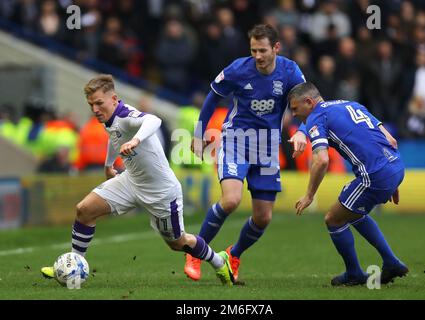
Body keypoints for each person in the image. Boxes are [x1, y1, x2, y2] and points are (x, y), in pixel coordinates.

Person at [40, 74, 234, 286]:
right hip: (131, 181)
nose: (95, 109)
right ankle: (73, 265)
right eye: (91, 104)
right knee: (84, 210)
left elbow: (154, 120)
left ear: (114, 99)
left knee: (178, 243)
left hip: (161, 192)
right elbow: (114, 137)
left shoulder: (126, 115)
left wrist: (136, 139)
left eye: (99, 103)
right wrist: (108, 165)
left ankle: (219, 261)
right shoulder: (108, 118)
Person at [185, 24, 307, 282]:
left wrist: (302, 131)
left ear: (276, 48)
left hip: (267, 147)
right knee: (231, 200)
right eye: (253, 50)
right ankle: (195, 251)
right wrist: (198, 134)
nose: (258, 56)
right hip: (236, 141)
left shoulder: (290, 71)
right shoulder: (238, 70)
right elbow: (212, 99)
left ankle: (233, 255)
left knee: (263, 218)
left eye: (263, 50)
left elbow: (309, 104)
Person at [288, 82, 409, 286]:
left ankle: (354, 273)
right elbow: (390, 140)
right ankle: (391, 262)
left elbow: (322, 160)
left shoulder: (317, 117)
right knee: (353, 212)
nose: (293, 114)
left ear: (308, 102)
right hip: (395, 166)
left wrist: (309, 194)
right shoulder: (348, 104)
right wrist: (392, 180)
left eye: (295, 108)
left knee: (333, 219)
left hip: (375, 174)